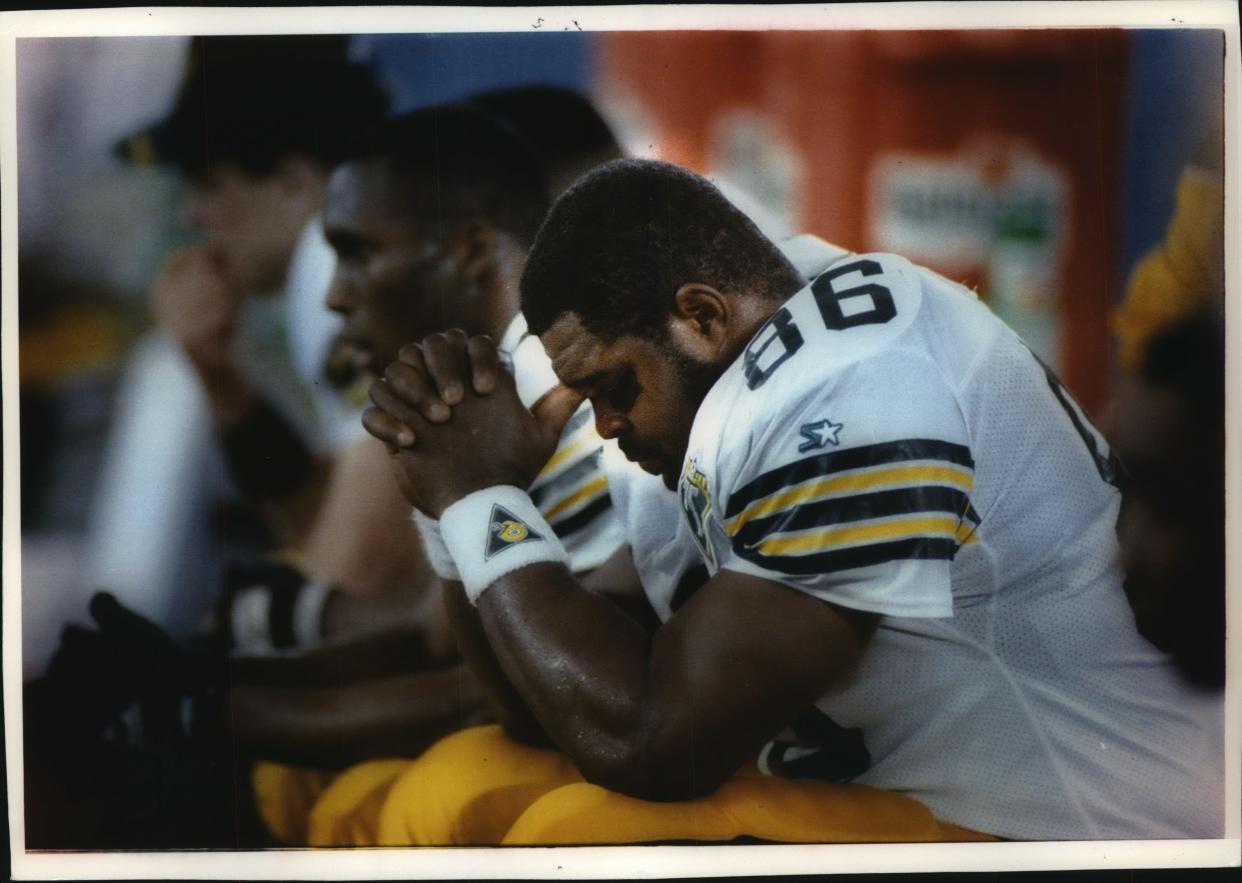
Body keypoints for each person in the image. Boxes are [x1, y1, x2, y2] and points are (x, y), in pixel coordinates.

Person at [361, 159, 1223, 843]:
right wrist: (453, 505)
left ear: (700, 315)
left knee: (580, 830)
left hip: (1073, 821)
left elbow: (651, 740)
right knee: (472, 782)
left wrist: (480, 497)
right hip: (907, 798)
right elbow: (552, 708)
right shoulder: (740, 340)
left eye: (615, 387)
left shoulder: (855, 388)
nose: (606, 424)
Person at [83, 36, 392, 640]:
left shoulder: (332, 262)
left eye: (209, 183)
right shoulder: (339, 262)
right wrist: (216, 374)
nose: (192, 216)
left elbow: (354, 579)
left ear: (294, 184)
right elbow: (327, 519)